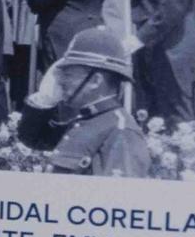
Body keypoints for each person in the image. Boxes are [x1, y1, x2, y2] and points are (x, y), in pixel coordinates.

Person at [17, 27, 151, 176]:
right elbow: (32, 138)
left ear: (95, 80)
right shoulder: (84, 122)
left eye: (68, 75)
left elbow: (117, 196)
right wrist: (45, 99)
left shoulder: (122, 132)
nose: (60, 81)